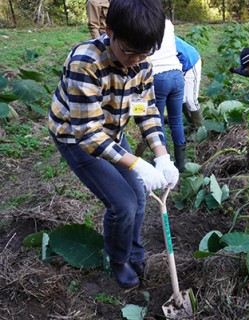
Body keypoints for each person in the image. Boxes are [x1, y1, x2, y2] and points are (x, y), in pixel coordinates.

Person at [48, 0, 178, 290]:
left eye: (144, 52)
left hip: (112, 131)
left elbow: (145, 109)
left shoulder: (142, 60)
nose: (136, 59)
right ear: (109, 31)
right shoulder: (87, 62)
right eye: (129, 51)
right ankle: (117, 260)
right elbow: (89, 135)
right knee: (123, 204)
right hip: (76, 137)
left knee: (139, 197)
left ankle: (133, 251)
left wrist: (162, 156)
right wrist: (136, 162)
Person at [149, 20, 187, 172]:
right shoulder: (168, 24)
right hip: (177, 73)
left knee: (157, 120)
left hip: (158, 74)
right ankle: (181, 162)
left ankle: (164, 159)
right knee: (176, 119)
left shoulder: (146, 23)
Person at [175, 36, 204, 140]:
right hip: (180, 66)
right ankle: (192, 125)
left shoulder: (164, 40)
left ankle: (199, 129)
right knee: (181, 98)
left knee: (190, 99)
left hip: (191, 63)